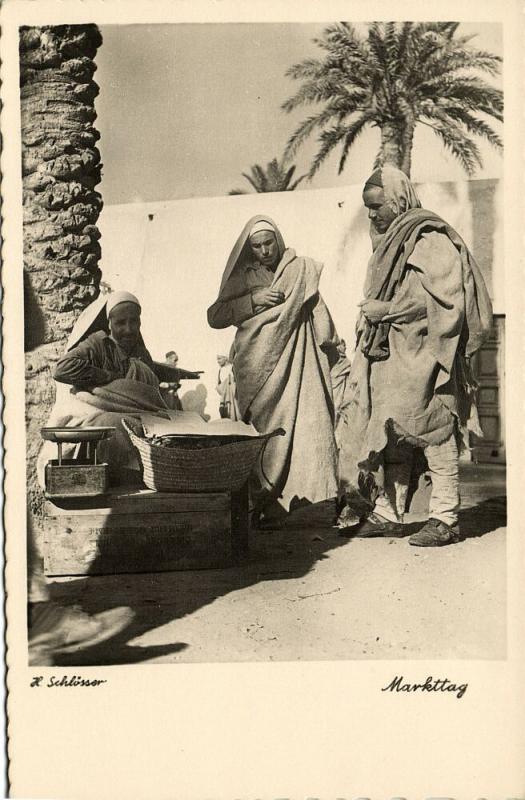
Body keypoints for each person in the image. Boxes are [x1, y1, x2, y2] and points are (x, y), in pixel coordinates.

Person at [336, 165, 493, 546]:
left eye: (377, 206)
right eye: (368, 208)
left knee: (435, 428)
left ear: (398, 200)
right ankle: (390, 513)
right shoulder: (388, 240)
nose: (371, 215)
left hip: (428, 352)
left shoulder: (429, 237)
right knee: (394, 432)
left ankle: (445, 517)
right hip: (393, 351)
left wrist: (386, 311)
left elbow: (443, 300)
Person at [207, 215, 339, 525]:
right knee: (266, 435)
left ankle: (303, 502)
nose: (265, 251)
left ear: (278, 241)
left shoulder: (299, 268)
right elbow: (215, 316)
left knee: (307, 428)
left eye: (269, 244)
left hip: (296, 359)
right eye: (257, 246)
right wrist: (253, 300)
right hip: (258, 367)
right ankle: (262, 500)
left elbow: (316, 305)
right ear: (249, 249)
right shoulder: (244, 276)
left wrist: (330, 341)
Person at [37, 291, 180, 486]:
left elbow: (147, 396)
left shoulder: (141, 353)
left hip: (139, 413)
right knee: (113, 425)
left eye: (134, 322)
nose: (128, 329)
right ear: (110, 323)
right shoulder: (98, 343)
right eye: (121, 323)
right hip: (96, 410)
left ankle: (146, 477)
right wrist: (106, 377)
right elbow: (62, 369)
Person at [330, 338, 352, 443]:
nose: (345, 347)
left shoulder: (346, 363)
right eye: (343, 345)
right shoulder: (340, 362)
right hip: (335, 392)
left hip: (341, 393)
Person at [216, 354, 240, 420]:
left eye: (219, 358)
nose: (218, 361)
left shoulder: (232, 368)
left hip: (234, 396)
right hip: (225, 397)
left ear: (226, 358)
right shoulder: (220, 370)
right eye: (217, 359)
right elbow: (219, 385)